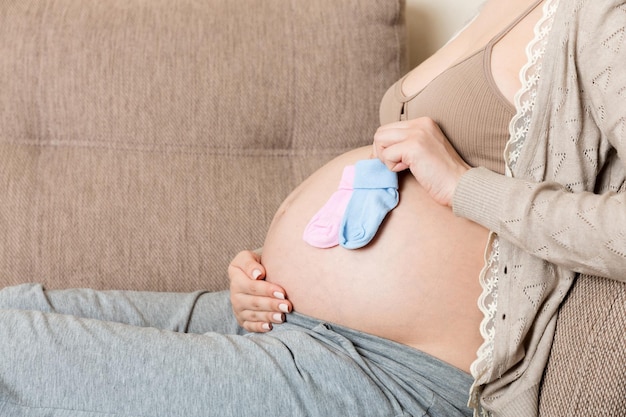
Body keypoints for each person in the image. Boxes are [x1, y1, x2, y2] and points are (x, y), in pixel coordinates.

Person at [0, 1, 624, 416]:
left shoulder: (605, 18)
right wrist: (270, 266)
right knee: (14, 308)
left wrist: (465, 186)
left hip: (387, 371)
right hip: (284, 319)